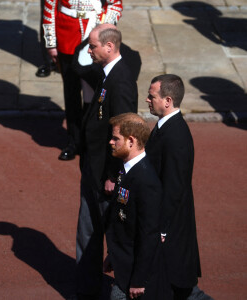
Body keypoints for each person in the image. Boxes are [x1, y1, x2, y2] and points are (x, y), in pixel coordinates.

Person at [76, 24, 138, 299]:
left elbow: (125, 132)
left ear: (109, 47)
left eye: (93, 46)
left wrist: (114, 175)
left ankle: (125, 290)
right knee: (87, 232)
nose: (89, 51)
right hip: (93, 168)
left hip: (107, 174)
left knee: (116, 237)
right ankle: (87, 290)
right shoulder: (105, 73)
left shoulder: (121, 80)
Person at [145, 74, 212, 300]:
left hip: (171, 224)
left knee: (176, 284)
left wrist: (162, 227)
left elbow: (174, 186)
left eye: (151, 96)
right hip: (168, 220)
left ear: (168, 100)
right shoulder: (166, 127)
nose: (147, 100)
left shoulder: (176, 135)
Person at [42, 0, 123, 160]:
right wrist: (51, 43)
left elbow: (115, 5)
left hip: (93, 37)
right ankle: (74, 141)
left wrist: (102, 30)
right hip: (66, 37)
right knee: (71, 93)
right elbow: (50, 8)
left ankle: (91, 139)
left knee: (92, 95)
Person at [104, 113, 164, 300]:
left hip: (135, 278)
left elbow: (149, 235)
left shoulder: (146, 181)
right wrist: (113, 256)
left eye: (116, 138)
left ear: (131, 141)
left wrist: (139, 280)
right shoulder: (127, 170)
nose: (111, 142)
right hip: (124, 266)